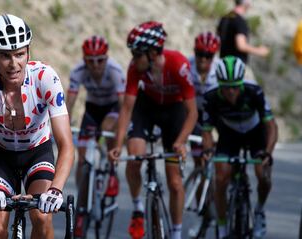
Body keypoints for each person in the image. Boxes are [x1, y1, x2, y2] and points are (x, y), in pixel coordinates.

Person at [0, 14, 74, 239]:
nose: (14, 64)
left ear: (28, 53)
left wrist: (56, 190)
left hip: (37, 152)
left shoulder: (46, 78)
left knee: (43, 217)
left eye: (19, 54)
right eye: (5, 56)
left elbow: (66, 145)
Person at [109, 21, 198, 239]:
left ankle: (176, 233)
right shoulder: (135, 68)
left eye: (136, 53)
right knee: (134, 158)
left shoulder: (178, 65)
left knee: (175, 182)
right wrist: (118, 145)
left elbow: (192, 112)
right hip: (147, 108)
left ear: (151, 52)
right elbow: (127, 108)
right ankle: (139, 207)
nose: (132, 58)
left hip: (174, 111)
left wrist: (181, 141)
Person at [201, 56, 278, 239]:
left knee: (263, 176)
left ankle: (259, 211)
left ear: (241, 82)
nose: (231, 91)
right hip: (230, 134)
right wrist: (207, 150)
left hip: (255, 133)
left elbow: (271, 126)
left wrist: (268, 152)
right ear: (219, 84)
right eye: (226, 87)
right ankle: (222, 226)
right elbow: (206, 131)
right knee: (220, 178)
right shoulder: (211, 96)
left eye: (235, 86)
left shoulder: (254, 91)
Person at [66, 35, 125, 237]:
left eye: (100, 60)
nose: (95, 65)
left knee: (108, 128)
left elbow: (124, 104)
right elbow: (70, 102)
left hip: (113, 110)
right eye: (90, 61)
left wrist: (121, 131)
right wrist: (65, 123)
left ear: (106, 58)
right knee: (82, 159)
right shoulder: (78, 71)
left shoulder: (115, 72)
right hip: (92, 110)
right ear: (84, 59)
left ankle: (111, 172)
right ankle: (82, 210)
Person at [188, 31, 220, 166]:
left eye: (208, 55)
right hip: (195, 113)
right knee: (199, 160)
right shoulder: (186, 66)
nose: (203, 59)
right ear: (194, 52)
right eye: (200, 54)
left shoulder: (220, 69)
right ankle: (200, 176)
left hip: (216, 111)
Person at [217, 0, 269, 66]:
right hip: (235, 66)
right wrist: (259, 51)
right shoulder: (240, 21)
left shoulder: (225, 18)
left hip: (223, 63)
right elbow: (241, 45)